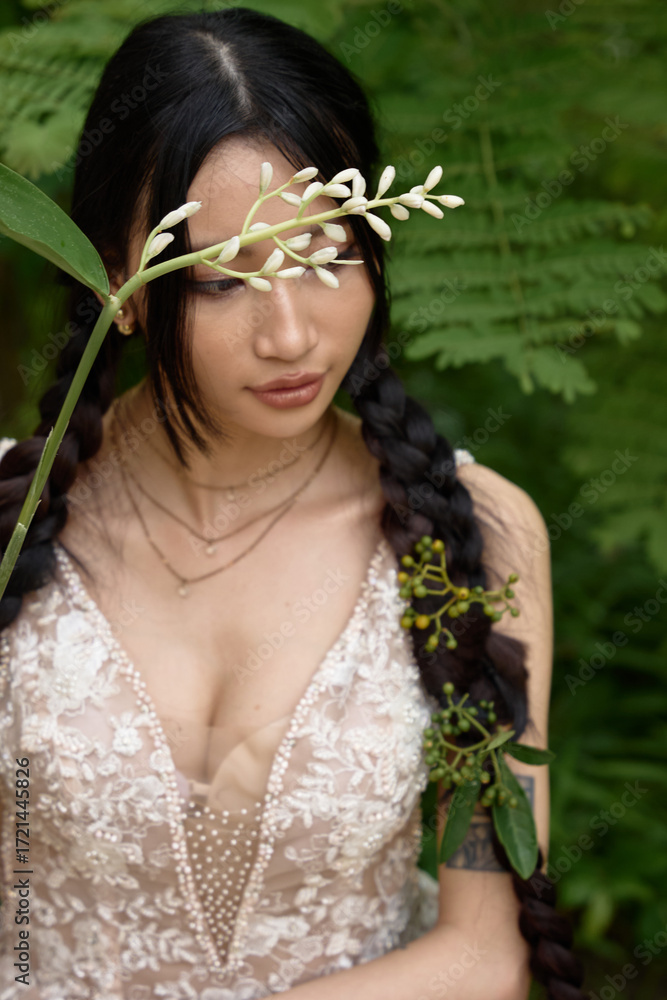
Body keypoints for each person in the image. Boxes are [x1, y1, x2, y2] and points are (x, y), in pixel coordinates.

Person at [0, 7, 585, 999]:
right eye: (224, 280)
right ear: (117, 278)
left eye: (327, 255)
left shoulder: (474, 538)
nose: (290, 335)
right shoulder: (12, 522)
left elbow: (485, 954)